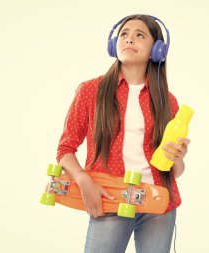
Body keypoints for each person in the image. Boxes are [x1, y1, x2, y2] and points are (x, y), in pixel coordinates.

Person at [56, 14, 191, 253]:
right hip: (110, 199)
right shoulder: (90, 91)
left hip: (158, 204)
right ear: (113, 44)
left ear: (157, 50)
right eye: (124, 34)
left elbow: (175, 172)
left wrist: (177, 158)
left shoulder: (167, 101)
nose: (129, 40)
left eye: (140, 35)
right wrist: (83, 179)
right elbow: (65, 149)